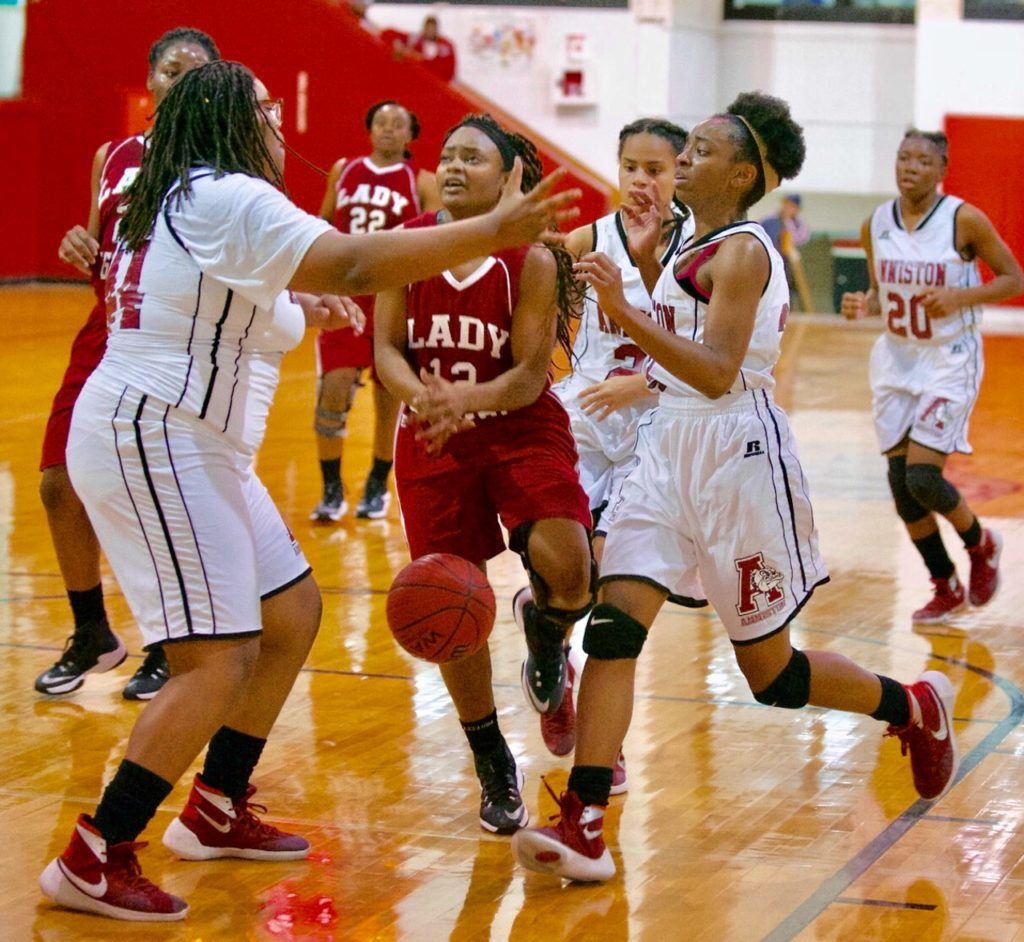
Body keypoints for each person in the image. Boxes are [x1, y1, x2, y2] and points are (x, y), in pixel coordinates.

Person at [39, 62, 579, 921]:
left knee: (290, 613)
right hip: (158, 439)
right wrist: (492, 230)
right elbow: (358, 261)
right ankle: (96, 853)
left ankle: (216, 804)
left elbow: (248, 297)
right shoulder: (225, 196)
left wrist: (304, 311)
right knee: (215, 664)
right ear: (225, 121)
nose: (279, 127)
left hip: (193, 442)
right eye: (263, 111)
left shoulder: (184, 197)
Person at [512, 92, 962, 883]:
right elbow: (671, 326)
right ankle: (585, 821)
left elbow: (718, 372)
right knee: (614, 629)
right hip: (664, 452)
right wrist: (628, 257)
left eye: (702, 150)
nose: (684, 157)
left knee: (774, 679)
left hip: (737, 456)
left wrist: (621, 301)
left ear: (745, 172)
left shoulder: (748, 250)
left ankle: (913, 704)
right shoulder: (691, 236)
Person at [374, 114, 593, 836]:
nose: (456, 165)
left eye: (474, 156)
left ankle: (546, 629)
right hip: (434, 435)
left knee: (571, 566)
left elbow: (531, 375)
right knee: (447, 596)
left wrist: (465, 399)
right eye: (448, 154)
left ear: (509, 178)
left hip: (515, 424)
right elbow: (387, 349)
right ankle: (491, 756)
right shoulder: (406, 246)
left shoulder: (528, 259)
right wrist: (425, 399)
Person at [35, 27, 221, 701]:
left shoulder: (227, 164)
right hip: (106, 328)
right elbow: (97, 242)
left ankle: (170, 643)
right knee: (58, 483)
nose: (181, 81)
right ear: (153, 84)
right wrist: (79, 242)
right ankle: (92, 632)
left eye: (196, 73)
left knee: (154, 496)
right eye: (171, 71)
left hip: (177, 339)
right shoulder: (112, 154)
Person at [516, 117, 692, 768]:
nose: (642, 181)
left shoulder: (702, 252)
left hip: (656, 424)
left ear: (683, 174)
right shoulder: (588, 239)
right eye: (631, 168)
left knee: (618, 595)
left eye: (657, 169)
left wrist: (642, 383)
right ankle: (551, 649)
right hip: (584, 418)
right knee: (577, 578)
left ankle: (603, 745)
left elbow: (707, 353)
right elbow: (525, 277)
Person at [841, 129, 1023, 622]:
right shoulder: (875, 223)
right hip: (897, 360)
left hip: (949, 358)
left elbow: (1014, 277)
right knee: (902, 489)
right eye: (903, 157)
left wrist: (961, 297)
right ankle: (944, 584)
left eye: (922, 160)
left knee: (923, 475)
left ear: (942, 170)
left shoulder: (963, 220)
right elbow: (879, 290)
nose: (910, 167)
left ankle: (981, 544)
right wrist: (865, 302)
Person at [312, 100, 441, 522]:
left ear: (410, 135)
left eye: (398, 124)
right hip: (347, 296)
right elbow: (323, 223)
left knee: (390, 400)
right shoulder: (343, 170)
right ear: (369, 129)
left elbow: (433, 239)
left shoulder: (420, 180)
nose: (388, 129)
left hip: (393, 298)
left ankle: (376, 483)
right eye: (381, 122)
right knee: (333, 387)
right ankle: (331, 487)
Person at [407, 15, 457, 82]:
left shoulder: (445, 46)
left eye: (432, 29)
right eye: (428, 28)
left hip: (437, 82)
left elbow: (449, 70)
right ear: (424, 28)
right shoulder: (415, 41)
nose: (430, 31)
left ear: (436, 30)